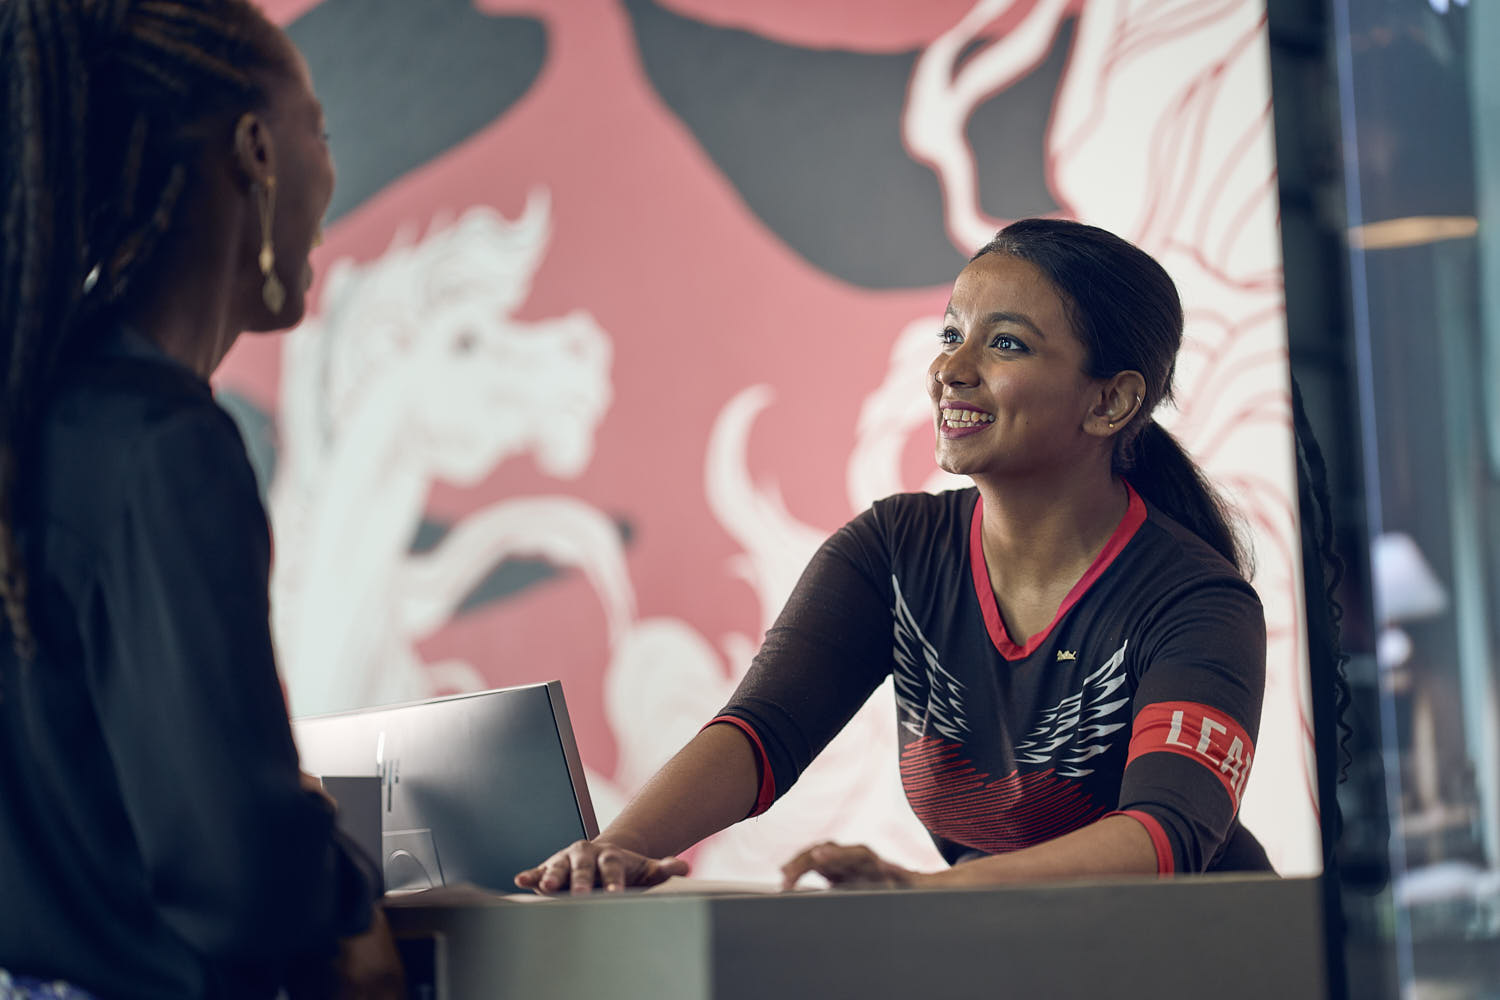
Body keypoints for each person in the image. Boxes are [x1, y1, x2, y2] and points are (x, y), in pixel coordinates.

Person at [516, 218, 1271, 895]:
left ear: (1109, 402)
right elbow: (761, 733)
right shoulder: (893, 550)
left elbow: (1164, 837)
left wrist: (923, 896)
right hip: (1017, 958)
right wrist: (612, 850)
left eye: (1005, 343)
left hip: (1208, 968)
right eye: (951, 335)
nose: (952, 369)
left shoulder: (1197, 602)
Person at [0, 1, 401, 996]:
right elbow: (243, 884)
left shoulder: (34, 417)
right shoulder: (162, 444)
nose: (329, 173)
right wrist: (337, 879)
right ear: (257, 149)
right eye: (320, 131)